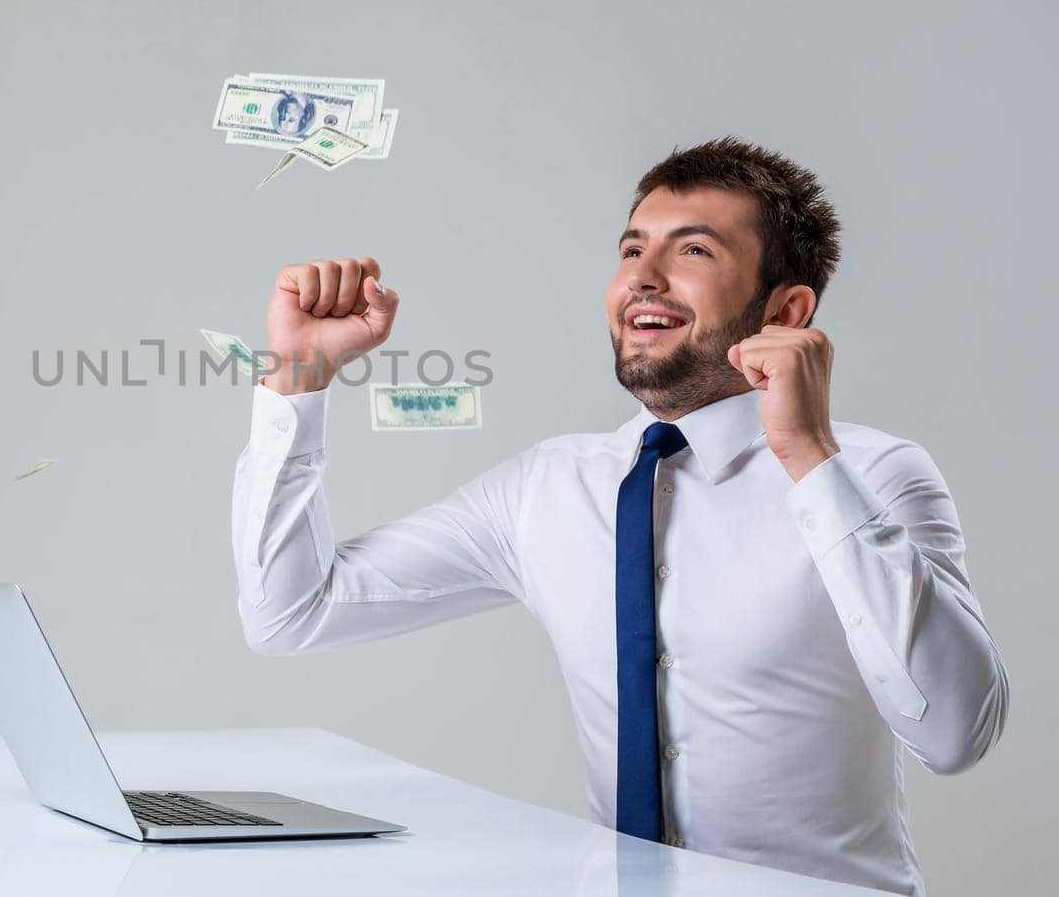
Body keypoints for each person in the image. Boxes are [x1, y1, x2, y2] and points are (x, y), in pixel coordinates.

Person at [229, 137, 1007, 896]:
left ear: (787, 309)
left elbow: (955, 735)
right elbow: (291, 612)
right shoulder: (549, 487)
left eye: (693, 251)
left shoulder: (871, 474)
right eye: (632, 250)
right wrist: (297, 377)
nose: (645, 277)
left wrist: (809, 457)